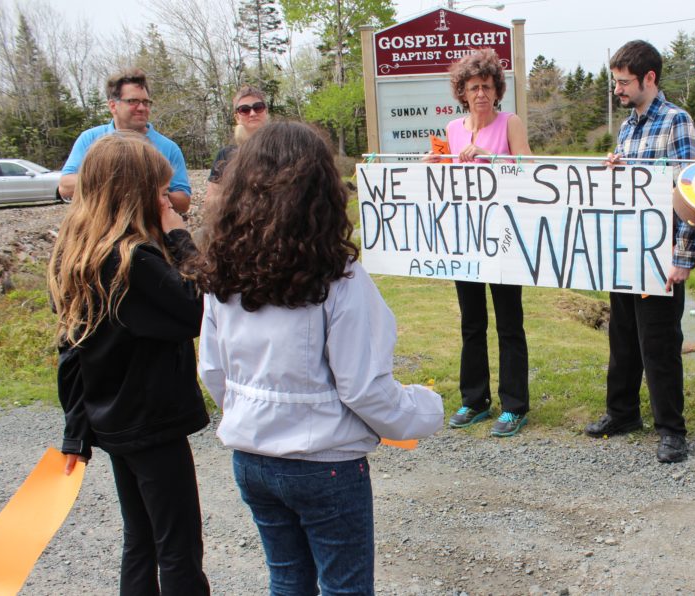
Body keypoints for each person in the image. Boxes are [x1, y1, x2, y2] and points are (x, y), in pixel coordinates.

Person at [196, 121, 445, 594]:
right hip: (324, 463)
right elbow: (364, 388)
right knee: (344, 588)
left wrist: (249, 415)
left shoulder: (221, 273)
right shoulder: (341, 280)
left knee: (287, 581)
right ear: (321, 191)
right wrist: (426, 409)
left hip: (253, 457)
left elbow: (212, 369)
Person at [49, 133, 210, 595]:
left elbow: (70, 348)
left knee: (140, 542)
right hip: (152, 421)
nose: (169, 200)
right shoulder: (132, 259)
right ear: (134, 192)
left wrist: (76, 429)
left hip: (113, 419)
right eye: (161, 192)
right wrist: (179, 236)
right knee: (178, 547)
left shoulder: (78, 251)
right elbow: (199, 308)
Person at [583, 40, 695, 464]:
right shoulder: (629, 126)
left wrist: (682, 258)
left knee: (660, 344)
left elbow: (692, 194)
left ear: (649, 78)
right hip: (626, 251)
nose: (617, 89)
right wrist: (613, 170)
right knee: (623, 337)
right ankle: (623, 413)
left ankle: (672, 429)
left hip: (659, 255)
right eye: (615, 82)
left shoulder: (676, 122)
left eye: (624, 82)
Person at [436, 48, 533, 437]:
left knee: (510, 322)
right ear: (462, 91)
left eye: (487, 87)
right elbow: (447, 182)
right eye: (473, 87)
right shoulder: (453, 130)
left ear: (497, 91)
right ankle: (474, 400)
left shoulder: (511, 123)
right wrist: (435, 166)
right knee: (471, 322)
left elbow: (530, 169)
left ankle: (514, 406)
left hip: (504, 236)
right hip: (466, 238)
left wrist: (492, 157)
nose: (480, 94)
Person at [59, 68, 192, 214]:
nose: (142, 108)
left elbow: (183, 202)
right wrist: (118, 183)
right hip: (99, 231)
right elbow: (65, 187)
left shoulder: (168, 148)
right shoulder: (90, 139)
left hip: (150, 232)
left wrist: (145, 192)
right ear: (113, 105)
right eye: (133, 101)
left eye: (146, 102)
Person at [205, 84, 270, 210]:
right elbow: (210, 202)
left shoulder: (284, 147)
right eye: (244, 110)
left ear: (266, 111)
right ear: (237, 117)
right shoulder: (226, 155)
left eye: (258, 108)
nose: (252, 113)